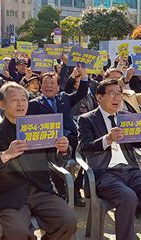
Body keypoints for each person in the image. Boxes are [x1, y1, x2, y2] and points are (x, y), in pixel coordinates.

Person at [0, 82, 77, 239]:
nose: (20, 104)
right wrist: (6, 154)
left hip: (41, 189)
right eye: (14, 100)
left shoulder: (39, 126)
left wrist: (63, 150)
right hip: (10, 194)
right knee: (18, 232)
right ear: (2, 104)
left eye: (24, 99)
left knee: (68, 222)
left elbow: (56, 160)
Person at [78, 79, 141, 240]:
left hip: (129, 169)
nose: (117, 98)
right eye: (111, 94)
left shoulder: (126, 116)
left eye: (119, 94)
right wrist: (107, 139)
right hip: (104, 173)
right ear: (99, 97)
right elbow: (85, 147)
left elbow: (138, 142)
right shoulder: (87, 119)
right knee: (128, 197)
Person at [27, 67, 89, 207]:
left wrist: (84, 76)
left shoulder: (64, 98)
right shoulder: (33, 105)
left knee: (88, 152)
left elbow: (82, 92)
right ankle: (65, 193)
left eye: (52, 83)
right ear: (40, 86)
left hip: (71, 137)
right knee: (56, 161)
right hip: (49, 142)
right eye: (45, 83)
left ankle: (75, 187)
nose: (49, 86)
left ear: (58, 86)